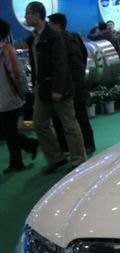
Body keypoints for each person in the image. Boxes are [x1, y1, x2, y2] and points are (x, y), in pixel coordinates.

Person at [25, 1, 86, 173]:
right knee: (39, 124)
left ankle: (78, 159)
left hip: (60, 89)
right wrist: (36, 84)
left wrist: (58, 89)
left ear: (37, 15)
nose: (26, 17)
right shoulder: (33, 38)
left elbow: (61, 64)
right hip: (42, 89)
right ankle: (56, 158)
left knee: (69, 125)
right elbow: (36, 65)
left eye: (28, 14)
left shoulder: (53, 36)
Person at [48, 13, 96, 155]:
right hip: (77, 82)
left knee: (70, 118)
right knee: (80, 116)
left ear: (56, 24)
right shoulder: (74, 37)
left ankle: (72, 146)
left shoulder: (57, 40)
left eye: (50, 23)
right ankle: (86, 144)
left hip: (68, 85)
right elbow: (84, 55)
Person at [0, 18, 38, 173]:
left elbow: (18, 73)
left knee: (9, 131)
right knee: (8, 131)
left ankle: (17, 161)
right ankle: (30, 145)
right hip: (5, 97)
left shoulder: (7, 50)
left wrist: (22, 92)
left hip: (10, 97)